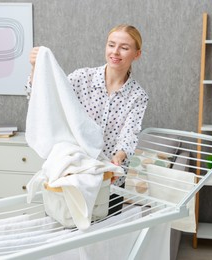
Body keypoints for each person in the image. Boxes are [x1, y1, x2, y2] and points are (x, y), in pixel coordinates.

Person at [26, 24, 149, 214]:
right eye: (111, 45)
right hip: (74, 173)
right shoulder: (82, 78)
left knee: (106, 236)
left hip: (110, 177)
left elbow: (129, 134)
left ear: (137, 54)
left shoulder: (137, 96)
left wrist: (118, 159)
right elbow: (48, 99)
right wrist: (36, 68)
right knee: (66, 229)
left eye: (124, 48)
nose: (115, 52)